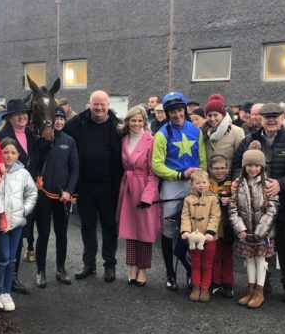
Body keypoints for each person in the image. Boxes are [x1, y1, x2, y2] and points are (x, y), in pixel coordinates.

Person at [232, 102, 285, 302]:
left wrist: (281, 184)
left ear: (283, 117)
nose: (271, 119)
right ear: (259, 118)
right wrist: (237, 181)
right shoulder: (248, 140)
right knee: (259, 245)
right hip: (255, 204)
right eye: (266, 116)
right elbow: (237, 166)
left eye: (275, 116)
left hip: (284, 200)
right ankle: (263, 286)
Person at [64, 90, 124, 282]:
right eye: (95, 104)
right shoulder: (77, 123)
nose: (98, 108)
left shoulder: (118, 126)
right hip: (85, 186)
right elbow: (61, 139)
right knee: (87, 226)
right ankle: (89, 264)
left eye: (102, 104)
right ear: (89, 104)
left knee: (108, 226)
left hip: (109, 186)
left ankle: (110, 265)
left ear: (108, 105)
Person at [151, 92, 207, 291]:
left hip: (193, 183)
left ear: (185, 110)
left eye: (179, 110)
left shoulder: (196, 131)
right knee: (168, 230)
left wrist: (200, 179)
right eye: (172, 111)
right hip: (173, 183)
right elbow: (156, 166)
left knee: (193, 228)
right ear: (167, 113)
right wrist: (179, 175)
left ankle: (192, 272)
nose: (177, 115)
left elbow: (203, 160)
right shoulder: (161, 134)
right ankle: (170, 273)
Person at [0, 99, 41, 291]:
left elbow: (36, 159)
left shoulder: (32, 135)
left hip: (24, 190)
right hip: (5, 194)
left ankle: (12, 277)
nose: (22, 117)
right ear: (9, 118)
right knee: (2, 241)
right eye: (17, 114)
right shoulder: (0, 136)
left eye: (24, 114)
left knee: (20, 235)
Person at [0, 138, 38, 311]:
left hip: (16, 223)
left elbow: (32, 193)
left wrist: (23, 211)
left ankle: (6, 292)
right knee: (2, 257)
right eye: (5, 152)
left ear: (18, 154)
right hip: (0, 223)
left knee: (11, 258)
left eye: (13, 152)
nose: (9, 156)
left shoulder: (23, 173)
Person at [115, 106, 160, 287]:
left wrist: (148, 196)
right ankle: (132, 267)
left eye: (140, 120)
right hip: (128, 187)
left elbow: (153, 171)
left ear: (144, 122)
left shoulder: (151, 140)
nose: (136, 124)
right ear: (128, 122)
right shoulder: (124, 139)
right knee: (130, 231)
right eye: (133, 120)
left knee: (144, 232)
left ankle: (142, 269)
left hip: (144, 188)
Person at [34, 106, 79, 287]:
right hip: (43, 194)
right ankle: (40, 271)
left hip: (62, 196)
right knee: (43, 234)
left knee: (61, 234)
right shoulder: (41, 141)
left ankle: (61, 269)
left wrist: (69, 190)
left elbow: (75, 169)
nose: (59, 122)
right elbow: (35, 164)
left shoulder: (70, 141)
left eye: (61, 119)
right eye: (55, 119)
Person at [229, 148, 278, 309]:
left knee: (260, 260)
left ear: (262, 167)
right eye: (249, 165)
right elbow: (233, 208)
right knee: (248, 259)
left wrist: (260, 232)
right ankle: (250, 289)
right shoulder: (238, 184)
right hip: (245, 232)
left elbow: (272, 209)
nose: (253, 168)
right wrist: (240, 228)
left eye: (257, 165)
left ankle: (259, 291)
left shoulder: (269, 184)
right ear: (244, 166)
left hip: (262, 233)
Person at [180, 169, 220, 302]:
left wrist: (210, 233)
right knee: (195, 263)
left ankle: (205, 288)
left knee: (207, 264)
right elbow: (185, 216)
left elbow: (215, 217)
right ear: (192, 184)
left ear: (208, 183)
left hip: (209, 239)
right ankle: (195, 287)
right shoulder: (188, 200)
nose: (201, 185)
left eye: (204, 182)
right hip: (193, 238)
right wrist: (185, 231)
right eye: (197, 183)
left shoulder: (213, 199)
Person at [208, 155, 235, 298]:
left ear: (227, 169)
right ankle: (216, 282)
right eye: (216, 168)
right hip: (212, 227)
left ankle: (228, 283)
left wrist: (230, 200)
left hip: (228, 226)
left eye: (222, 168)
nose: (219, 171)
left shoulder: (233, 185)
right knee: (215, 255)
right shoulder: (207, 184)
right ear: (211, 170)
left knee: (227, 256)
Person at [201, 93, 245, 168]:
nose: (212, 119)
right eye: (209, 115)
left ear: (223, 115)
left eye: (215, 115)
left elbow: (240, 159)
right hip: (208, 177)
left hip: (228, 177)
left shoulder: (237, 132)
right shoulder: (203, 131)